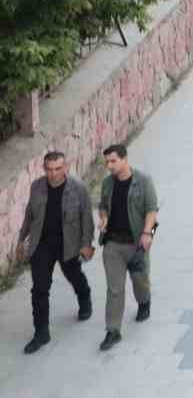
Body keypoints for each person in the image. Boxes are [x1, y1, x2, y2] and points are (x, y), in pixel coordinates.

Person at [20, 150, 95, 354]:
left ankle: (85, 297)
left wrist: (86, 244)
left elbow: (87, 219)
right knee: (39, 290)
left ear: (65, 167)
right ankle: (41, 333)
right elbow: (29, 214)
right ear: (44, 169)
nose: (53, 174)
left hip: (68, 244)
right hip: (42, 245)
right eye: (49, 169)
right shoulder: (36, 187)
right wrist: (21, 239)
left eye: (58, 169)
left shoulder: (77, 189)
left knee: (74, 275)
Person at [95, 144, 158, 351]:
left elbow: (151, 210)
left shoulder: (143, 182)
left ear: (124, 159)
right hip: (112, 244)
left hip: (136, 243)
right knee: (114, 289)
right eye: (107, 162)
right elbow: (103, 206)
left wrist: (148, 233)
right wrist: (103, 218)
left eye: (113, 161)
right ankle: (113, 330)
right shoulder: (107, 184)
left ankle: (144, 301)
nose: (110, 166)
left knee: (140, 280)